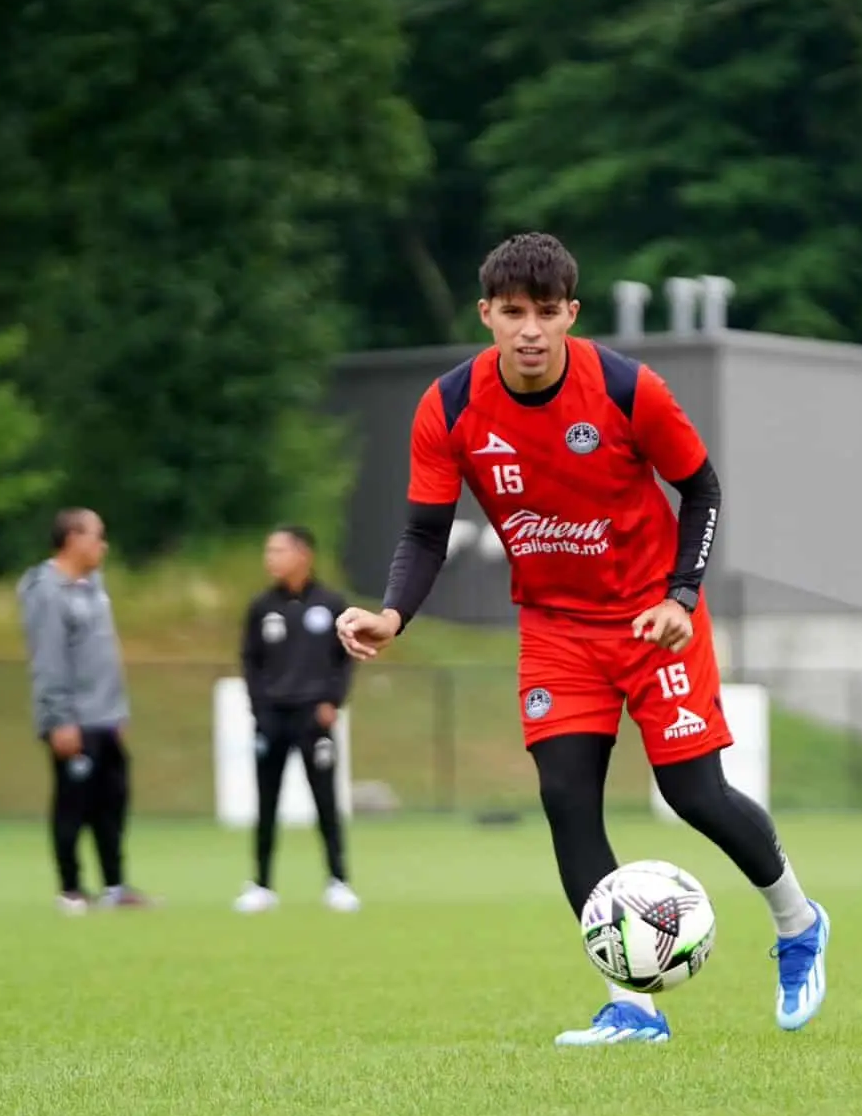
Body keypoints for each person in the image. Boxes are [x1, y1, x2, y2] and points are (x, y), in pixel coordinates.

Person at [334, 232, 831, 1046]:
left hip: (651, 620)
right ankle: (632, 1006)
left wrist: (681, 596)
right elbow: (425, 535)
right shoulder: (451, 408)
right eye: (512, 313)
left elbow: (700, 488)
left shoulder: (630, 390)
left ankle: (798, 922)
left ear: (571, 313)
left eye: (545, 313)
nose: (529, 330)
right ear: (486, 314)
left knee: (693, 796)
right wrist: (392, 615)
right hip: (558, 631)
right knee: (568, 802)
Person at [17, 508, 154, 913]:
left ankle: (114, 885)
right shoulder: (46, 589)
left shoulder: (94, 585)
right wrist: (59, 718)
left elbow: (103, 653)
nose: (103, 545)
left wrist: (118, 710)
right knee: (72, 803)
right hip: (73, 719)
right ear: (73, 538)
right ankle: (71, 888)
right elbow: (49, 660)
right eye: (97, 535)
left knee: (112, 802)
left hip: (105, 717)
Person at [235, 525, 358, 914]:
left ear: (303, 554)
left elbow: (346, 658)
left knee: (325, 799)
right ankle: (262, 884)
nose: (271, 558)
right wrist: (259, 708)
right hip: (272, 717)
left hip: (314, 716)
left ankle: (338, 880)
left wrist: (332, 701)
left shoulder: (331, 603)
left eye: (279, 550)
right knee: (266, 802)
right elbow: (250, 661)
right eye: (268, 551)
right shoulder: (261, 607)